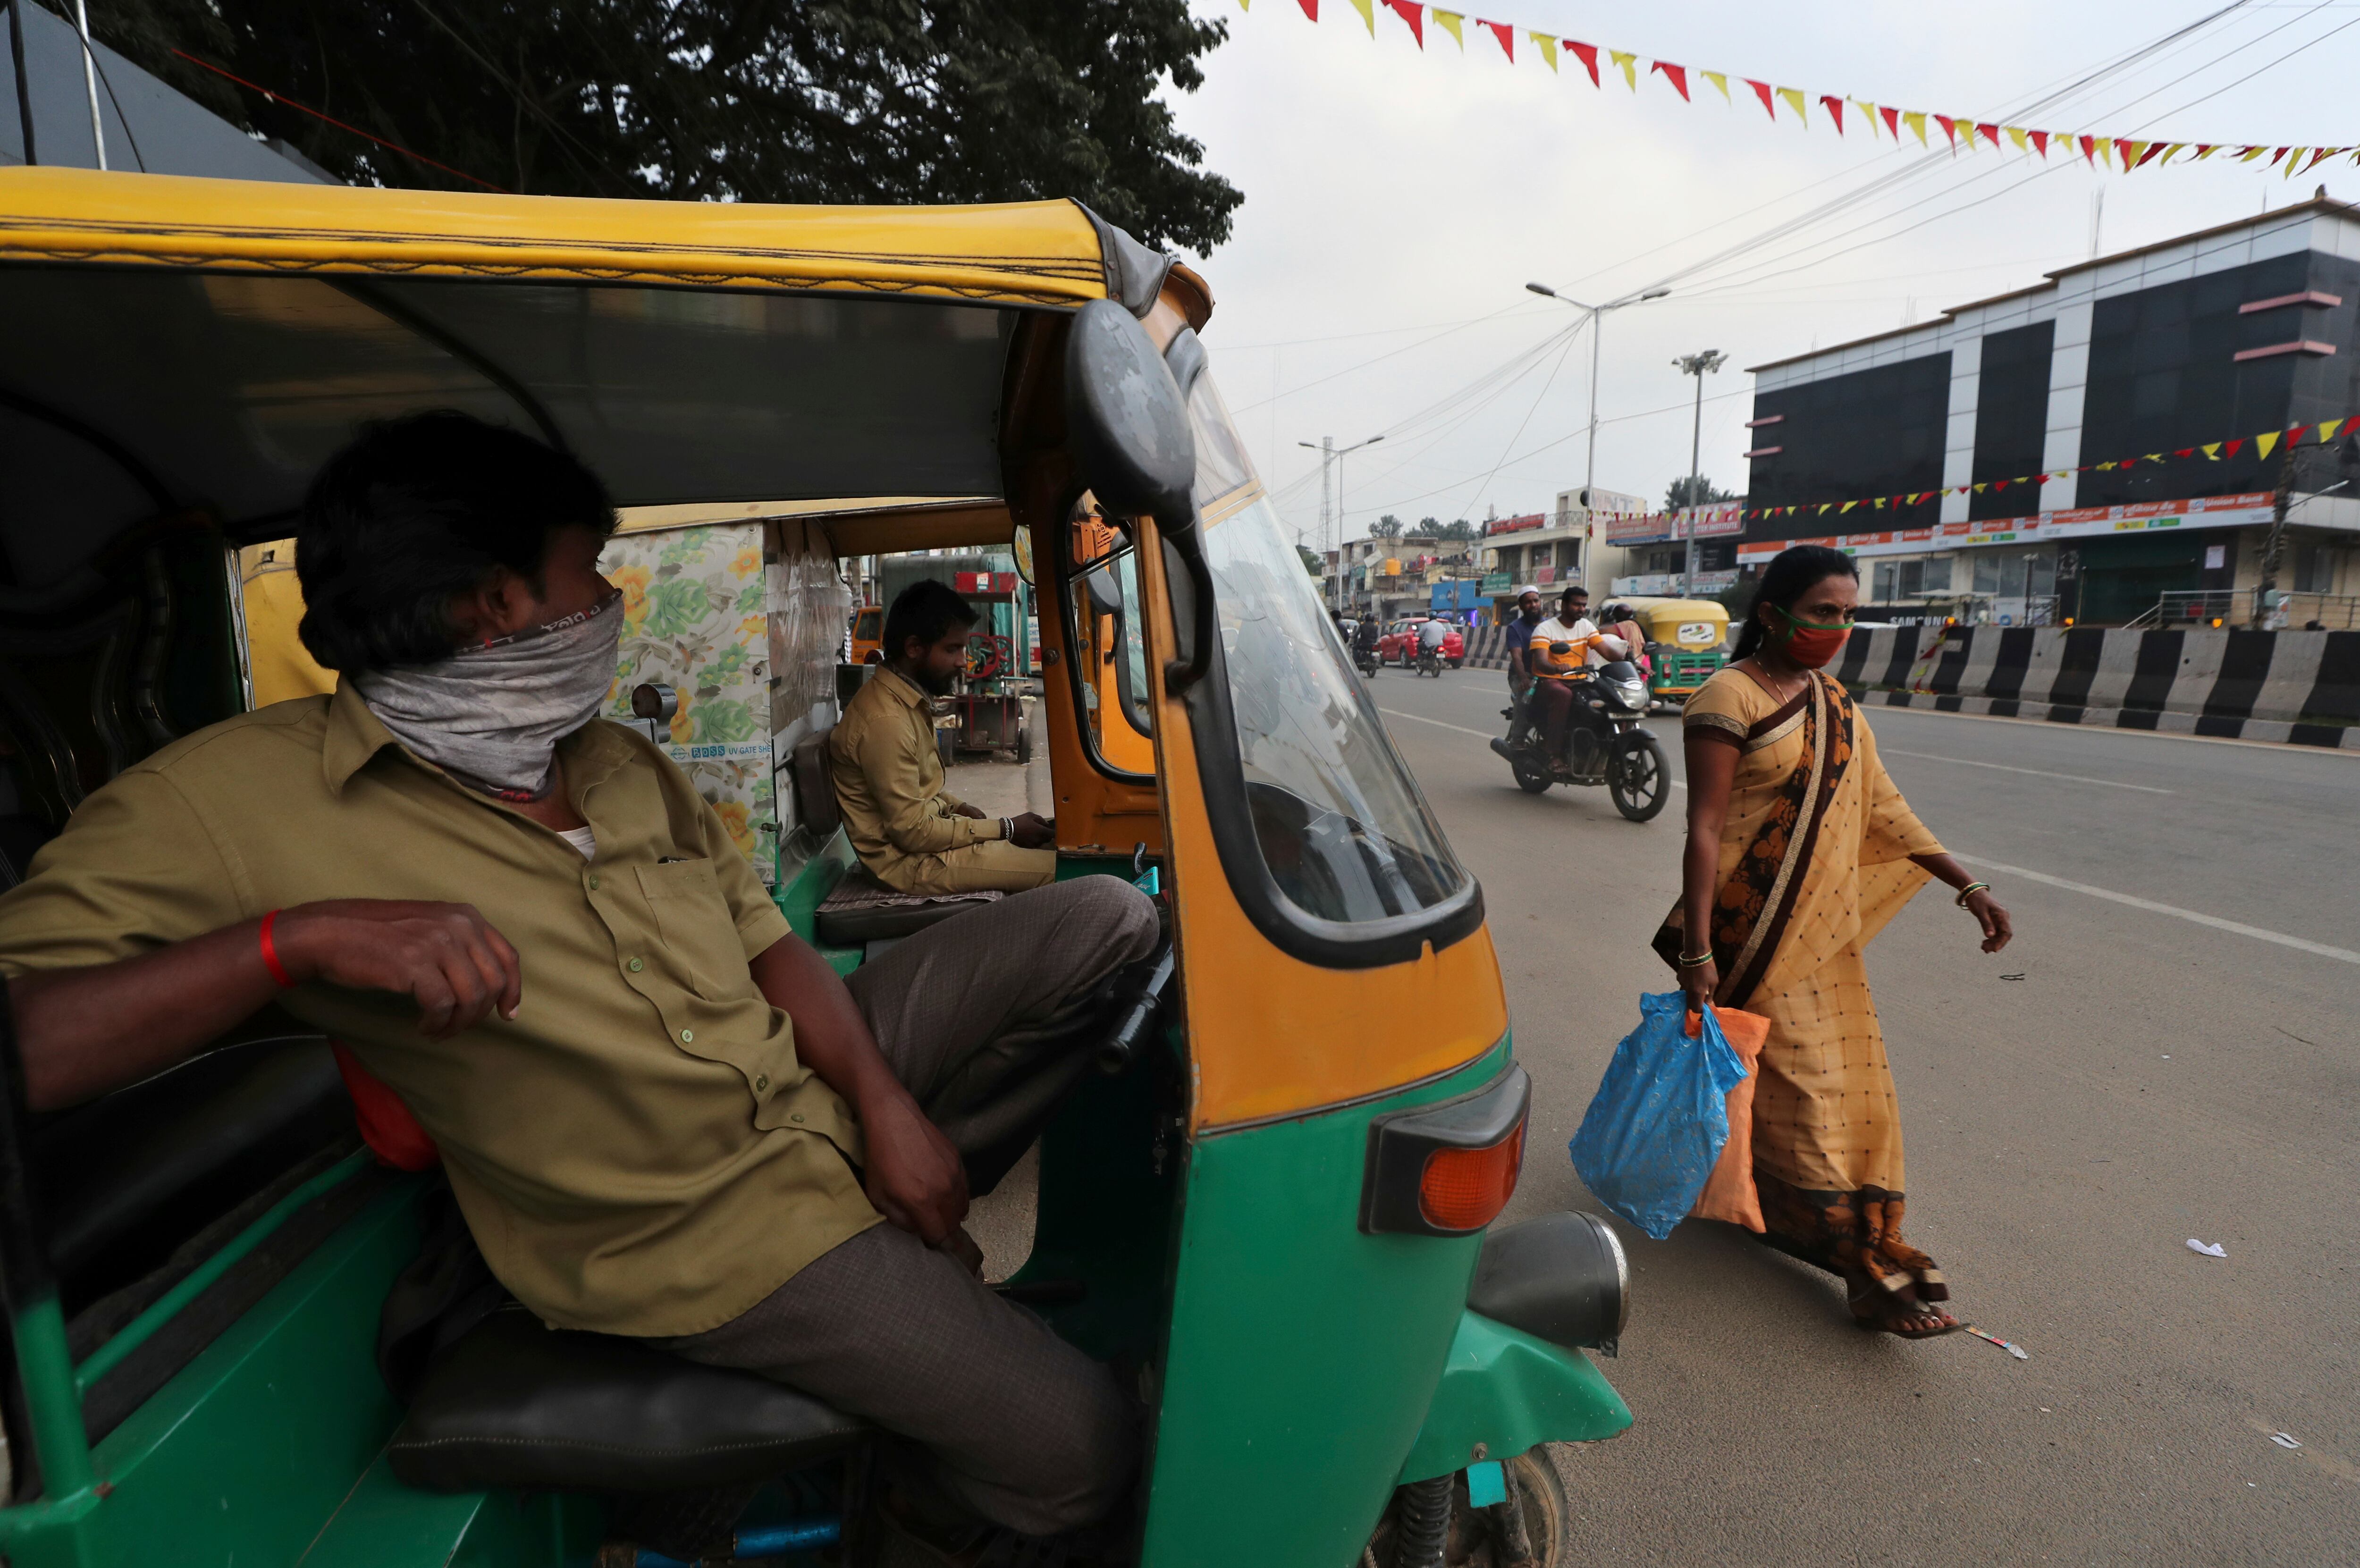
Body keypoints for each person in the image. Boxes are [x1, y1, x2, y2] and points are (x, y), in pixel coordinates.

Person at [0, 411, 1157, 1552]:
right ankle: (919, 1488)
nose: (608, 607)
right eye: (587, 576)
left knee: (1107, 918)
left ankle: (904, 1247)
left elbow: (767, 945)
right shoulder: (222, 804)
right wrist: (288, 943)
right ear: (494, 601)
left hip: (802, 1081)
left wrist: (888, 1106)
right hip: (702, 1227)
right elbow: (25, 1045)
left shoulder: (611, 759)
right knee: (1089, 1454)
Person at [1659, 544, 2013, 1340]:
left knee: (1837, 1099)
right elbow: (1706, 829)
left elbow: (1886, 807)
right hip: (1747, 938)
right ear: (1776, 610)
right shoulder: (1728, 695)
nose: (1839, 627)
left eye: (1849, 613)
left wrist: (1967, 885)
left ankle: (1758, 1202)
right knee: (1814, 1099)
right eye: (1825, 610)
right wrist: (1699, 952)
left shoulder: (1835, 702)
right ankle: (1863, 1269)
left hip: (1819, 943)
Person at [831, 580, 1057, 895]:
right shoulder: (885, 721)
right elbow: (912, 831)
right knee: (1063, 870)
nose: (963, 662)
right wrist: (1004, 829)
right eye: (952, 649)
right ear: (914, 648)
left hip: (922, 850)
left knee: (1061, 843)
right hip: (910, 864)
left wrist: (958, 805)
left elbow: (918, 789)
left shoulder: (904, 701)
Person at [1525, 586, 1610, 777]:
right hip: (1550, 681)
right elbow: (1540, 661)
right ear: (1563, 606)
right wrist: (1557, 668)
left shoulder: (1587, 627)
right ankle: (1552, 753)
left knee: (1608, 698)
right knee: (1564, 695)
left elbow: (1606, 651)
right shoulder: (1545, 629)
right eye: (1576, 605)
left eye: (1584, 606)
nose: (1581, 609)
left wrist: (1629, 660)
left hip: (1580, 682)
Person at [1503, 587, 1548, 740]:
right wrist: (1524, 679)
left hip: (1548, 674)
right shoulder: (1515, 628)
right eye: (1528, 602)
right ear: (1521, 606)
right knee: (1526, 698)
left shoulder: (1551, 625)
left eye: (1536, 601)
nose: (1533, 605)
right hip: (1523, 674)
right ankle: (1517, 739)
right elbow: (1517, 656)